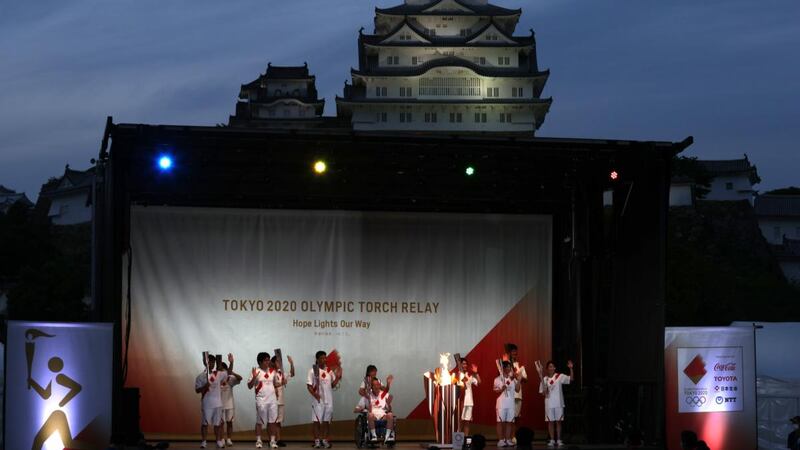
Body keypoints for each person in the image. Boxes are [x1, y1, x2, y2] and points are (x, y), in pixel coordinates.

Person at [307, 350, 343, 448]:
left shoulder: (329, 371)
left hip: (329, 401)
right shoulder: (313, 370)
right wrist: (315, 395)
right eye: (321, 358)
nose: (324, 360)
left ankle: (325, 440)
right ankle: (317, 440)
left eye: (325, 358)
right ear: (317, 360)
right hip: (318, 401)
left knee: (327, 422)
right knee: (317, 421)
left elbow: (332, 385)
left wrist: (337, 378)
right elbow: (309, 386)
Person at [536, 359, 574, 448]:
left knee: (558, 422)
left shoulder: (559, 376)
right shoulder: (544, 379)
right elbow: (543, 393)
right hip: (549, 403)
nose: (551, 368)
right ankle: (552, 440)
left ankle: (559, 440)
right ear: (547, 368)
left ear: (555, 368)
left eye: (552, 366)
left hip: (559, 403)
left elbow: (571, 379)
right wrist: (546, 390)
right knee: (550, 422)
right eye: (549, 367)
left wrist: (571, 368)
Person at [195, 353, 229, 449]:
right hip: (207, 403)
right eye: (211, 362)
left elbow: (228, 373)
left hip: (218, 403)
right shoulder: (201, 376)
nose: (213, 364)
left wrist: (231, 362)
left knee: (217, 424)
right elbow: (197, 390)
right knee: (205, 424)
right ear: (206, 363)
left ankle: (218, 440)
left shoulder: (218, 374)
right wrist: (204, 386)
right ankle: (204, 441)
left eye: (214, 362)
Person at [248, 352, 281, 449]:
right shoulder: (256, 371)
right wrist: (254, 377)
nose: (268, 362)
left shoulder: (272, 371)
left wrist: (281, 381)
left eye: (268, 360)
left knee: (272, 422)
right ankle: (258, 441)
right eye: (266, 360)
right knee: (259, 422)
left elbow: (276, 383)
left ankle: (272, 441)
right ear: (260, 362)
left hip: (272, 400)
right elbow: (249, 386)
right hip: (261, 400)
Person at [503, 343, 528, 438]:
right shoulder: (506, 365)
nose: (514, 354)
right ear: (509, 353)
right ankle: (506, 437)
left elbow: (526, 379)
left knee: (516, 417)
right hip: (509, 395)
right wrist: (505, 363)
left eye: (515, 352)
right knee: (508, 417)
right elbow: (501, 376)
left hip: (518, 394)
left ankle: (513, 437)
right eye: (512, 352)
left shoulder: (519, 366)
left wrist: (519, 376)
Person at [494, 360, 521, 447]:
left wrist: (519, 380)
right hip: (501, 404)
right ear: (503, 368)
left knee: (510, 422)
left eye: (510, 367)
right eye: (508, 367)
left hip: (511, 404)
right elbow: (495, 390)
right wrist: (502, 388)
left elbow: (517, 389)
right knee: (500, 422)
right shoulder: (497, 379)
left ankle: (508, 439)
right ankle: (501, 440)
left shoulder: (512, 379)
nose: (509, 368)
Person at [219, 354, 243, 447]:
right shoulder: (217, 378)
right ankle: (221, 439)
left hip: (229, 404)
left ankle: (228, 439)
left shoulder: (231, 379)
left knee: (229, 422)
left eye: (223, 370)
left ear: (226, 370)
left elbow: (240, 378)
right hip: (219, 404)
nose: (222, 372)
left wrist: (231, 371)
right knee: (220, 423)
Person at [273, 354, 295, 447]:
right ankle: (272, 440)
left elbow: (292, 374)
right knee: (272, 421)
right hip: (273, 400)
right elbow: (270, 385)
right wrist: (280, 383)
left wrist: (291, 364)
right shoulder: (270, 373)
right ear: (272, 362)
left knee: (278, 421)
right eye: (277, 361)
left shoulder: (280, 373)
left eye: (280, 361)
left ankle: (278, 440)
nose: (279, 363)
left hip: (281, 400)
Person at [365, 377, 395, 443]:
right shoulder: (369, 395)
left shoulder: (383, 394)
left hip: (382, 415)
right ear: (372, 386)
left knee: (390, 415)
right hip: (373, 416)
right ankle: (374, 436)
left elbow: (389, 408)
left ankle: (388, 436)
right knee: (370, 415)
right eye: (374, 385)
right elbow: (368, 408)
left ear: (380, 385)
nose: (376, 386)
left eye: (378, 384)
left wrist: (388, 404)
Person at [456, 358, 480, 436]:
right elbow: (461, 386)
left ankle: (466, 438)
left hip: (469, 401)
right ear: (460, 365)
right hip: (462, 400)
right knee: (461, 420)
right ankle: (458, 439)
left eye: (466, 364)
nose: (465, 365)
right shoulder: (457, 375)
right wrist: (462, 376)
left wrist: (476, 373)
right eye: (463, 364)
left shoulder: (470, 375)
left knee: (467, 421)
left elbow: (479, 382)